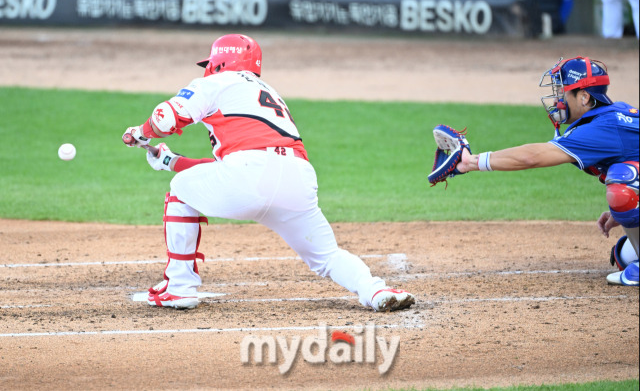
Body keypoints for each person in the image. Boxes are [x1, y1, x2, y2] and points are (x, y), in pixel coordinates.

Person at [123, 34, 415, 311]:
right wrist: (172, 160)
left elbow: (166, 117)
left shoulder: (217, 83)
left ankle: (180, 286)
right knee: (327, 256)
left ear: (220, 62)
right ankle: (375, 291)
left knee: (180, 188)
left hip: (250, 176)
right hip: (296, 178)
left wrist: (140, 132)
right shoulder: (266, 92)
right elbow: (238, 166)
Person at [454, 56, 639, 286]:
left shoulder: (603, 126)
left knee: (624, 180)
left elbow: (532, 157)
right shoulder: (607, 118)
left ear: (584, 97)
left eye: (563, 92)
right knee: (625, 255)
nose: (557, 100)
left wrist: (473, 162)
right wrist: (622, 211)